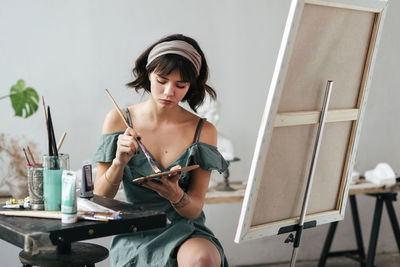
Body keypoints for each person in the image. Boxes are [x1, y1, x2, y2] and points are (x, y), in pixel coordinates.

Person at [93, 34, 229, 267]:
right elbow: (101, 198)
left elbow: (194, 209)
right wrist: (119, 162)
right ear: (148, 74)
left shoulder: (203, 131)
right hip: (136, 230)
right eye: (162, 80)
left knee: (203, 258)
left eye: (180, 85)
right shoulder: (119, 120)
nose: (169, 92)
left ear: (191, 85)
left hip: (184, 228)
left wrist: (175, 194)